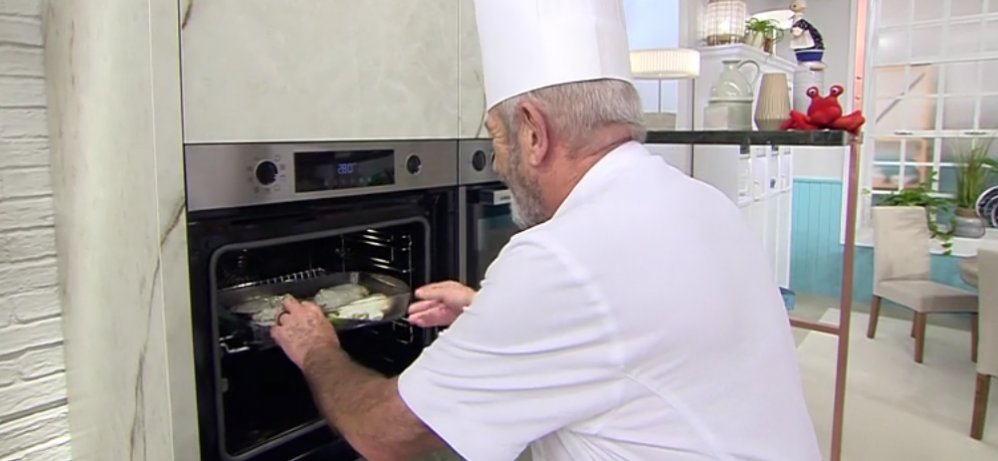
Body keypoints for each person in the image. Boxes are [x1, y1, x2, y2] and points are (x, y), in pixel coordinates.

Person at [272, 0, 823, 460]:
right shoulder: (702, 202)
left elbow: (384, 434)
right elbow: (626, 332)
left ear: (534, 132)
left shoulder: (562, 257)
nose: (495, 161)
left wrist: (316, 348)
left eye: (498, 137)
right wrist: (495, 317)